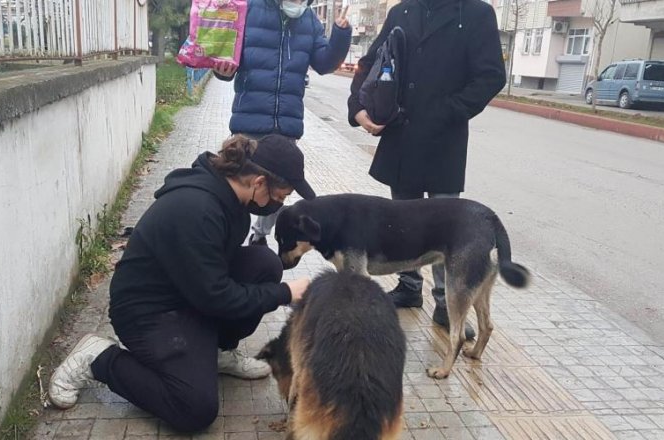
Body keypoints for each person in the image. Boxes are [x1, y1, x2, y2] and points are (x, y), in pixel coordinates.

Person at [47, 135, 313, 433]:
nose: (279, 204)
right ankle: (99, 359)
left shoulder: (232, 198)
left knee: (265, 264)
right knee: (194, 407)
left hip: (186, 292)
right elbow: (216, 297)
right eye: (280, 196)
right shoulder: (197, 209)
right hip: (146, 311)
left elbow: (211, 282)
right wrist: (285, 293)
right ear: (259, 182)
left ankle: (218, 353)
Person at [347, 0, 506, 339]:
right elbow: (372, 60)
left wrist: (450, 110)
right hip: (400, 134)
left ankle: (446, 305)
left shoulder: (476, 14)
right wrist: (358, 106)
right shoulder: (403, 11)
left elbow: (492, 74)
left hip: (443, 139)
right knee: (402, 219)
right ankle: (408, 286)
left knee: (446, 226)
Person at [212, 0, 352, 246]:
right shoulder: (249, 9)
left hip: (286, 123)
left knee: (278, 190)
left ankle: (259, 235)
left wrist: (340, 35)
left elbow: (324, 63)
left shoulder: (308, 19)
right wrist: (222, 70)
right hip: (249, 120)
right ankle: (228, 242)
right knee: (239, 187)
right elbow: (228, 57)